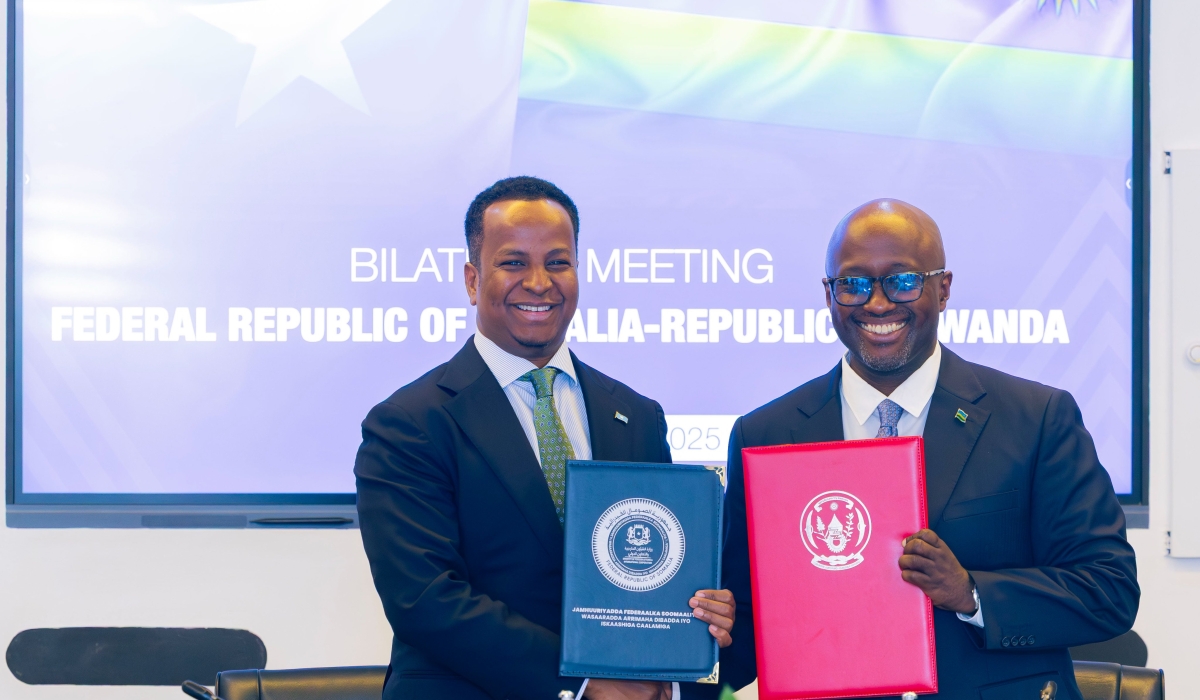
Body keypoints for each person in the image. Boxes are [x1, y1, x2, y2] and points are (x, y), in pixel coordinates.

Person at [717, 199, 1139, 699]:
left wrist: (970, 593)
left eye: (902, 281)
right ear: (828, 295)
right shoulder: (766, 435)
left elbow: (1108, 589)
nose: (876, 304)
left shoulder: (1035, 418)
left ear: (943, 289)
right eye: (852, 283)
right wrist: (706, 635)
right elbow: (742, 629)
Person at [355, 176, 736, 700]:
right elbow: (425, 599)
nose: (539, 282)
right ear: (472, 280)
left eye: (558, 262)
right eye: (513, 262)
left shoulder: (636, 415)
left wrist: (696, 626)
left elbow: (657, 570)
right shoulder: (409, 423)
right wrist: (581, 683)